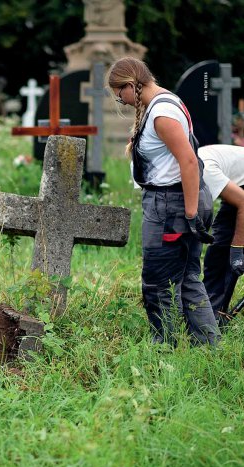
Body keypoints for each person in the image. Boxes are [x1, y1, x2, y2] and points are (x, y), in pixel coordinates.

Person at [107, 57, 220, 345]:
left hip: (170, 205)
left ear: (131, 85)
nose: (125, 103)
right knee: (189, 279)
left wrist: (191, 213)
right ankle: (209, 346)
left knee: (159, 284)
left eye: (122, 97)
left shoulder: (162, 114)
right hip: (175, 202)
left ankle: (165, 348)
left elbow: (190, 162)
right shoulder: (166, 103)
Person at [198, 144, 244, 324]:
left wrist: (238, 249)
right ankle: (212, 314)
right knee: (219, 253)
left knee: (228, 252)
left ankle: (214, 317)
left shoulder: (205, 171)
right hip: (238, 183)